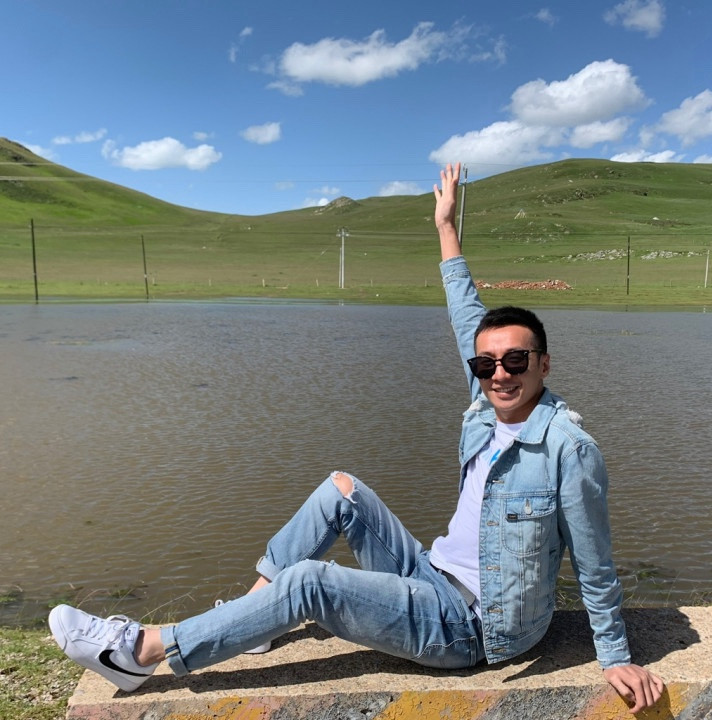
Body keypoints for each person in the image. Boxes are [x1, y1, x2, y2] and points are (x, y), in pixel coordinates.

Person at [49, 162, 664, 714]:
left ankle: (141, 651)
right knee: (339, 490)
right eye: (487, 364)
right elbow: (465, 313)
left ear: (544, 364)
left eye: (516, 361)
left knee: (310, 583)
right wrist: (445, 228)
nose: (499, 374)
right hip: (430, 575)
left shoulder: (568, 448)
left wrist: (613, 656)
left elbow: (595, 559)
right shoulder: (485, 405)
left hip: (472, 626)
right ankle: (251, 621)